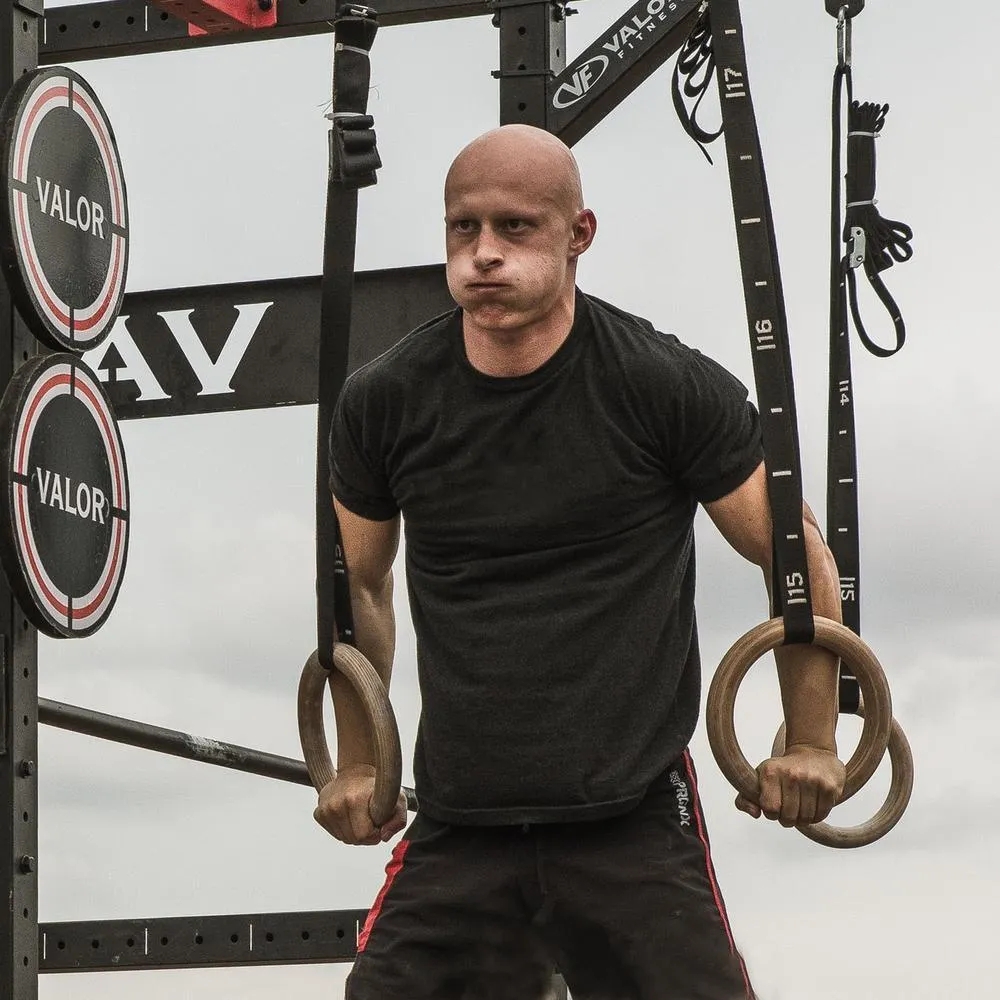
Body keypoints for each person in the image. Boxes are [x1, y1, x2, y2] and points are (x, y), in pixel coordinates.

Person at [317, 124, 846, 1000]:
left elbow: (797, 558)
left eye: (515, 229)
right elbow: (359, 588)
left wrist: (814, 740)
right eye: (463, 230)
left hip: (629, 817)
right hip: (462, 821)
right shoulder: (385, 403)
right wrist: (363, 760)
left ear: (579, 235)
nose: (483, 255)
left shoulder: (661, 384)